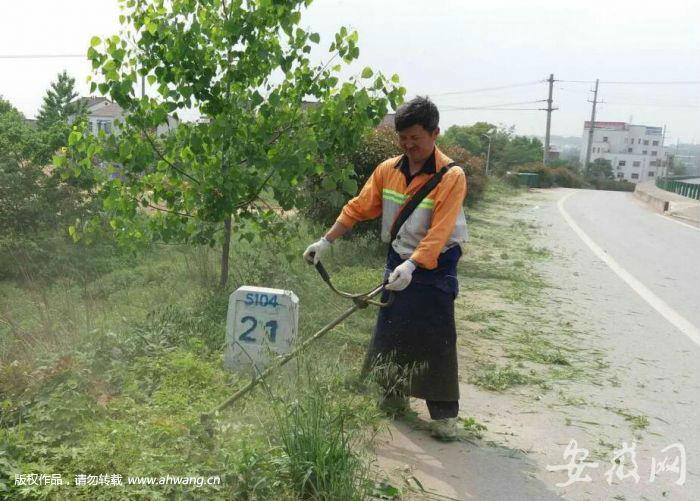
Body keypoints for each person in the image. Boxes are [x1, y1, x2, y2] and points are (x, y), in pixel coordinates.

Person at [303, 96, 468, 440]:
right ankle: (393, 396)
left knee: (435, 336)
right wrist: (326, 241)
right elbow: (359, 207)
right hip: (398, 258)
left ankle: (443, 415)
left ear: (435, 133)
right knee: (392, 327)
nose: (409, 146)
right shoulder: (388, 170)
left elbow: (439, 234)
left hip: (435, 266)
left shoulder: (451, 176)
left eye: (416, 139)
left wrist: (414, 265)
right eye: (403, 138)